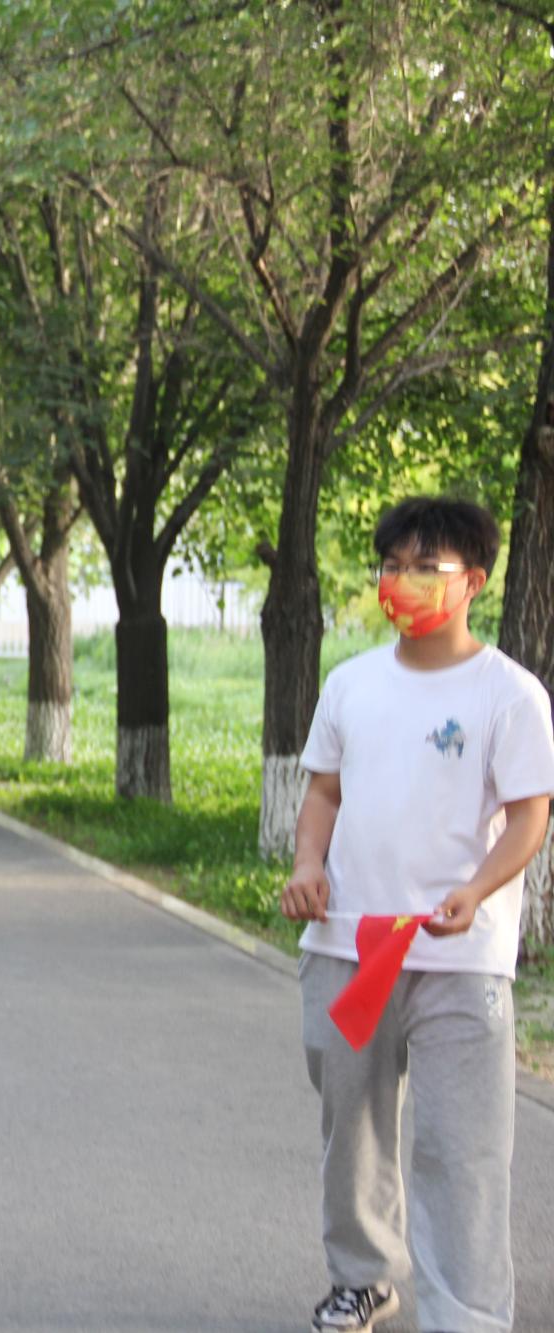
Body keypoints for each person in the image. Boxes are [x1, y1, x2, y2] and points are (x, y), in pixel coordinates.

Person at [282, 496, 554, 1333]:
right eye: (392, 565)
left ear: (474, 580)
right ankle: (362, 1277)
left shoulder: (510, 694)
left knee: (461, 1145)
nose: (401, 581)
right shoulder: (351, 683)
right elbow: (323, 792)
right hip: (349, 945)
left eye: (424, 567)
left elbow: (530, 816)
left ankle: (466, 1314)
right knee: (352, 1132)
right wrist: (307, 864)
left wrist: (479, 887)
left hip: (458, 955)